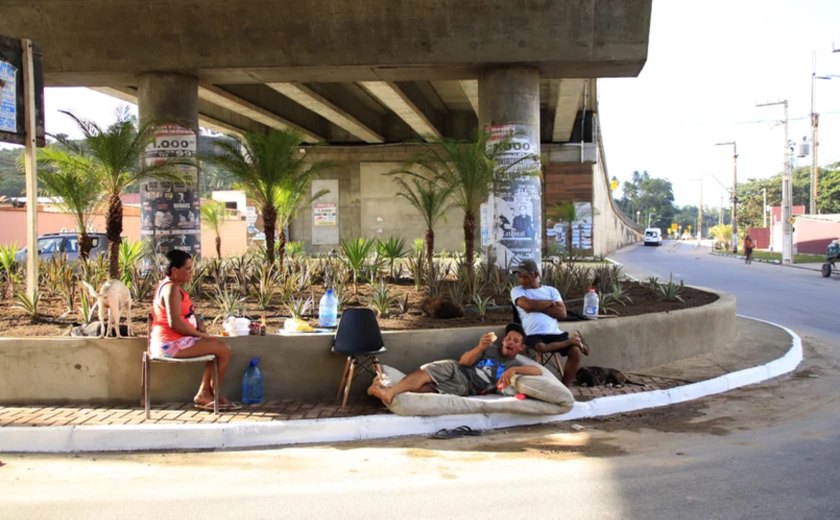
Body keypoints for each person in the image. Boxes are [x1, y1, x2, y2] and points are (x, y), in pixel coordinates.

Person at [366, 323, 542, 405]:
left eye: (515, 341)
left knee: (427, 389)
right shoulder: (489, 348)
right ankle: (388, 393)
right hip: (458, 368)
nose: (510, 342)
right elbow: (464, 361)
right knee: (425, 371)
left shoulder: (516, 362)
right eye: (508, 338)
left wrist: (514, 370)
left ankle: (382, 389)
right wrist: (479, 347)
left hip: (465, 387)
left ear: (521, 347)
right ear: (503, 341)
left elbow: (538, 371)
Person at [150, 249, 238, 411]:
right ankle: (209, 394)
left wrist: (198, 321)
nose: (191, 273)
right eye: (188, 269)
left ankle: (207, 393)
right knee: (223, 349)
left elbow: (186, 312)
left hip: (174, 341)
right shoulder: (171, 289)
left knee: (217, 348)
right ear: (175, 271)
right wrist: (201, 335)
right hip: (169, 344)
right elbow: (175, 323)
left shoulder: (173, 287)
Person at [510, 259, 589, 387]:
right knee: (540, 347)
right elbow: (527, 305)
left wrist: (535, 306)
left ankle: (564, 387)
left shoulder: (551, 291)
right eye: (519, 276)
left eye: (524, 277)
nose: (520, 280)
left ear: (535, 275)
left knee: (575, 352)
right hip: (532, 333)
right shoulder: (517, 291)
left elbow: (562, 313)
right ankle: (572, 340)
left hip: (554, 332)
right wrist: (550, 304)